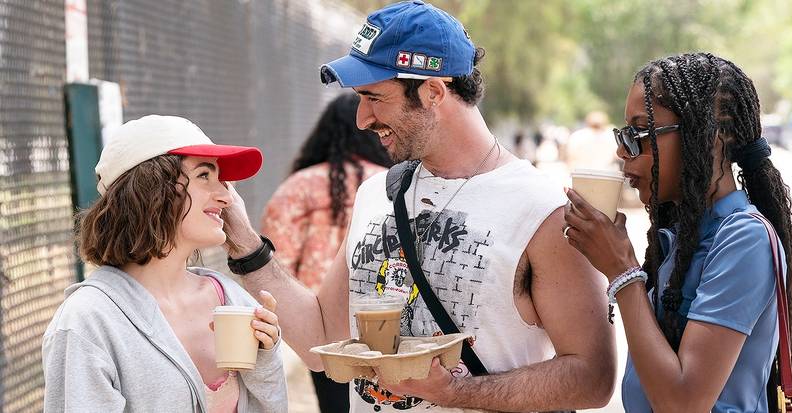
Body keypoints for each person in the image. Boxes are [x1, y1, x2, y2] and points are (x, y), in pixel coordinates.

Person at [221, 2, 615, 412]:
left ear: (433, 92)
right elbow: (321, 339)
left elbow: (593, 378)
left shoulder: (541, 208)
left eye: (374, 97)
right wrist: (244, 241)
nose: (361, 119)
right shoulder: (377, 193)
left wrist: (456, 393)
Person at [562, 53, 792, 412]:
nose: (622, 151)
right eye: (624, 134)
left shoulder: (745, 239)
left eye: (640, 133)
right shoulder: (678, 236)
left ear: (710, 138)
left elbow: (682, 402)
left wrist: (623, 271)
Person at [42, 115, 288, 412]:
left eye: (221, 180)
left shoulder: (231, 299)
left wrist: (265, 360)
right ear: (151, 189)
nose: (227, 197)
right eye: (204, 175)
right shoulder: (89, 321)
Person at [260, 92, 391, 413]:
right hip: (389, 323)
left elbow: (276, 265)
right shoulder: (392, 183)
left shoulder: (298, 188)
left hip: (321, 329)